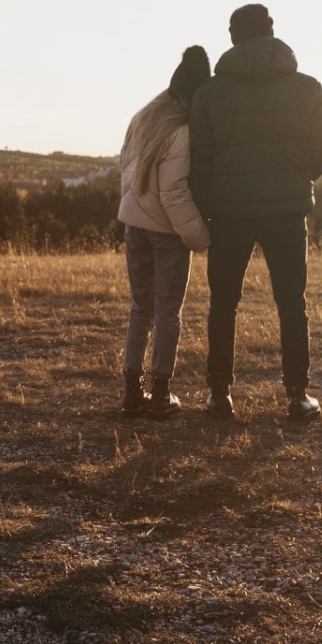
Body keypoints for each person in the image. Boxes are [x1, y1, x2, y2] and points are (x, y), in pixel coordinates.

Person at [188, 4, 322, 420]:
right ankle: (297, 397)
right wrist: (296, 177)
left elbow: (199, 159)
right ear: (271, 33)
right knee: (292, 302)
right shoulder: (307, 87)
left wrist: (209, 202)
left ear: (233, 37)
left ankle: (219, 395)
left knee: (223, 303)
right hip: (287, 211)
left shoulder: (209, 92)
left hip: (229, 212)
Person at [117, 45, 212, 419]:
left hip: (133, 224)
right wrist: (200, 237)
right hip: (166, 231)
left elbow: (125, 169)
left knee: (141, 308)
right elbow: (174, 193)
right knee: (168, 311)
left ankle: (130, 391)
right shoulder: (181, 129)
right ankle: (159, 394)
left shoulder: (145, 116)